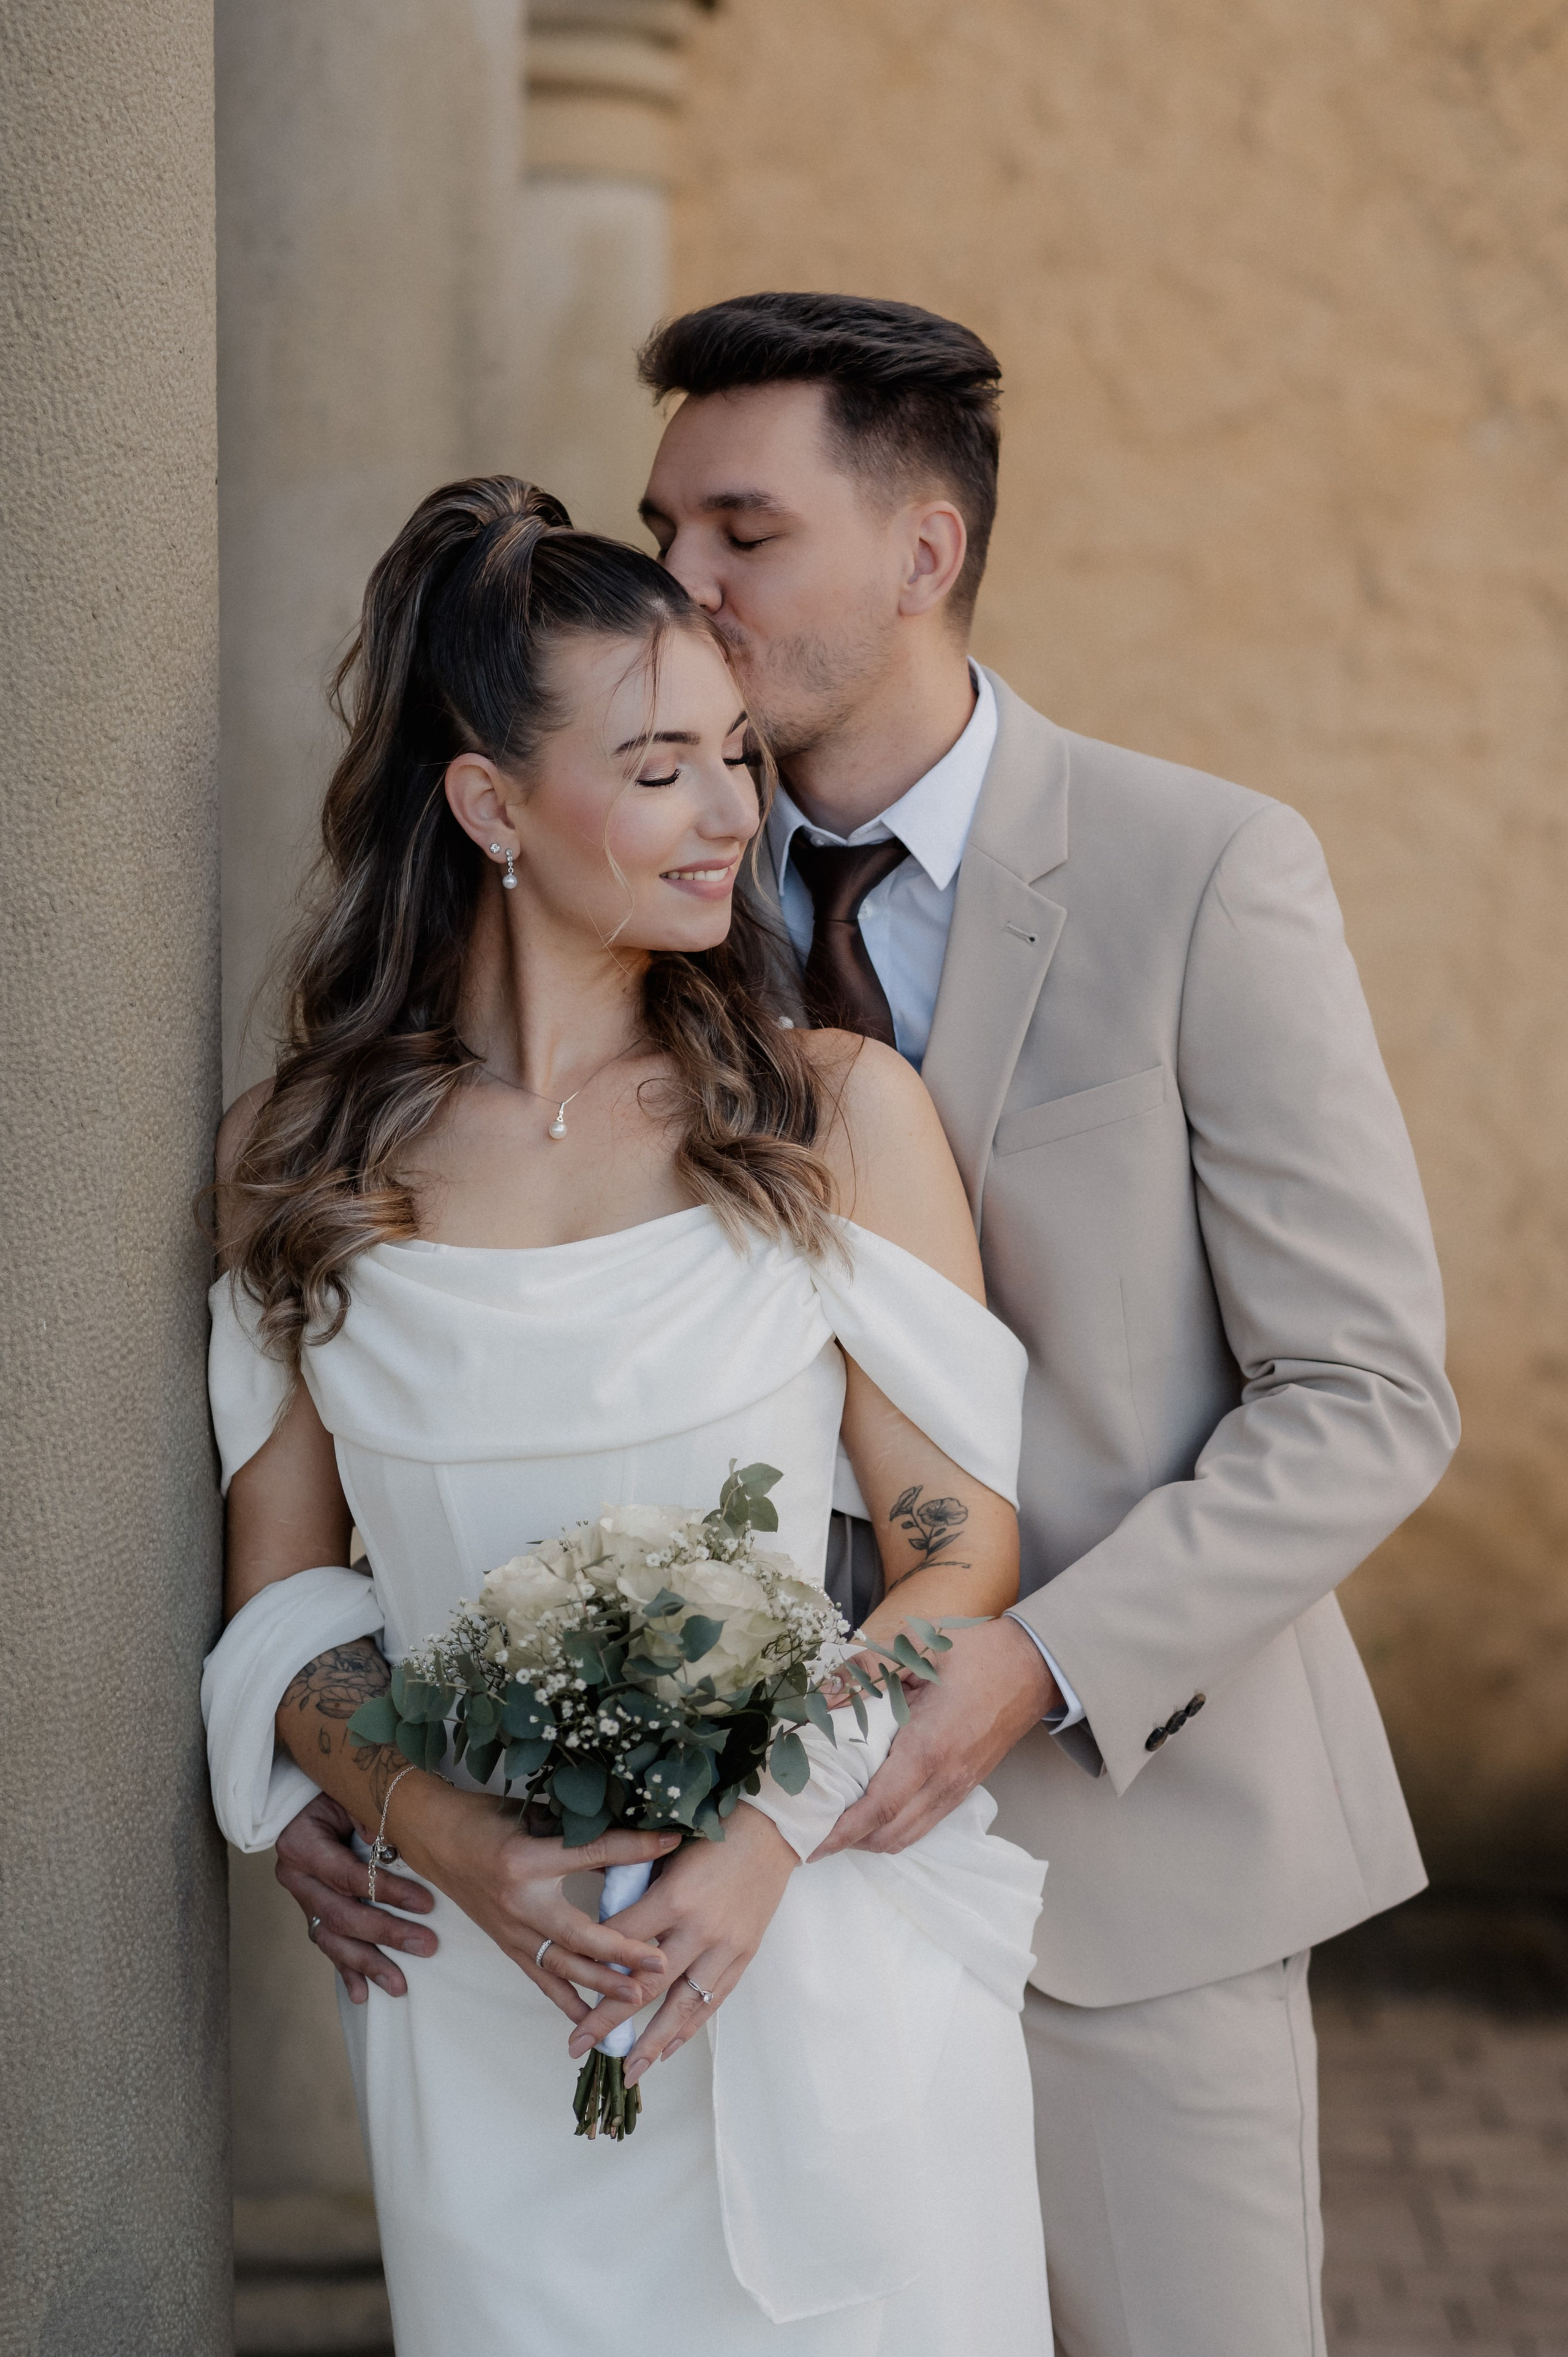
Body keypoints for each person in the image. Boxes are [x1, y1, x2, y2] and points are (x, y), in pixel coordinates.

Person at [203, 476, 1051, 2355]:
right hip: (487, 2012)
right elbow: (284, 1606)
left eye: (738, 756)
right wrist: (431, 1823)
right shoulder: (308, 1160)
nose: (735, 815)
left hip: (814, 1956)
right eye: (661, 765)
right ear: (492, 805)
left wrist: (759, 1843)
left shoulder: (831, 1117)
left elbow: (957, 1554)